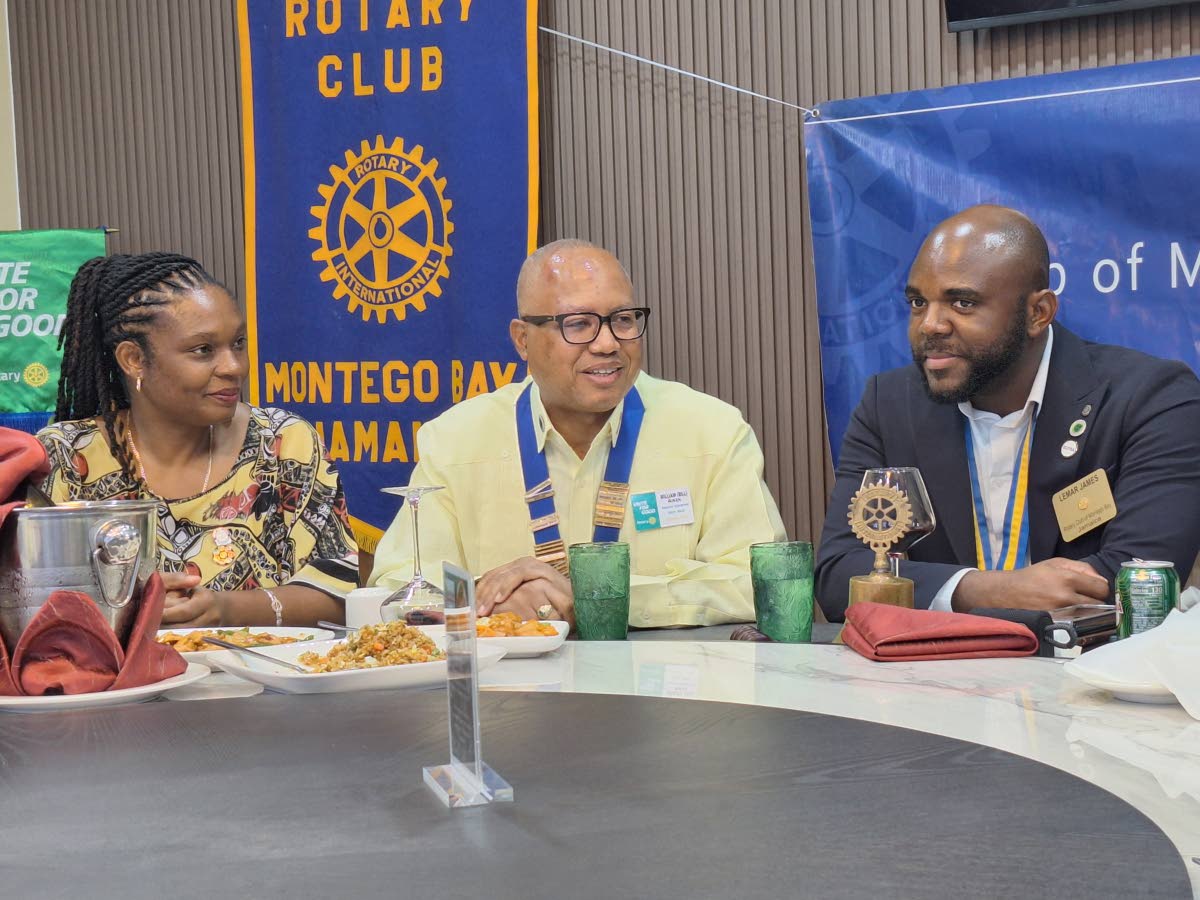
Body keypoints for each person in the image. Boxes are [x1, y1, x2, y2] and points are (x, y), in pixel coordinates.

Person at [370, 239, 786, 628]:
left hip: (664, 693)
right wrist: (489, 601)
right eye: (579, 324)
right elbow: (395, 590)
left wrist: (597, 599)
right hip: (504, 696)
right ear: (522, 340)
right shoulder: (454, 442)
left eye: (623, 320)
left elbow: (764, 581)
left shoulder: (711, 431)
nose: (607, 343)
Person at [815, 205, 1200, 622]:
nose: (930, 324)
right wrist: (989, 589)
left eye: (962, 302)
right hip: (934, 679)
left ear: (1038, 313)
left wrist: (918, 590)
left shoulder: (1152, 398)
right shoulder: (888, 404)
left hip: (1084, 676)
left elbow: (1138, 583)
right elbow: (839, 574)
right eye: (917, 302)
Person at [38, 252, 358, 627]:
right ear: (134, 360)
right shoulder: (65, 458)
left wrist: (225, 609)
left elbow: (341, 592)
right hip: (117, 685)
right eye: (203, 350)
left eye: (238, 343)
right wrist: (130, 609)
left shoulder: (284, 443)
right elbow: (33, 605)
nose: (233, 367)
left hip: (262, 684)